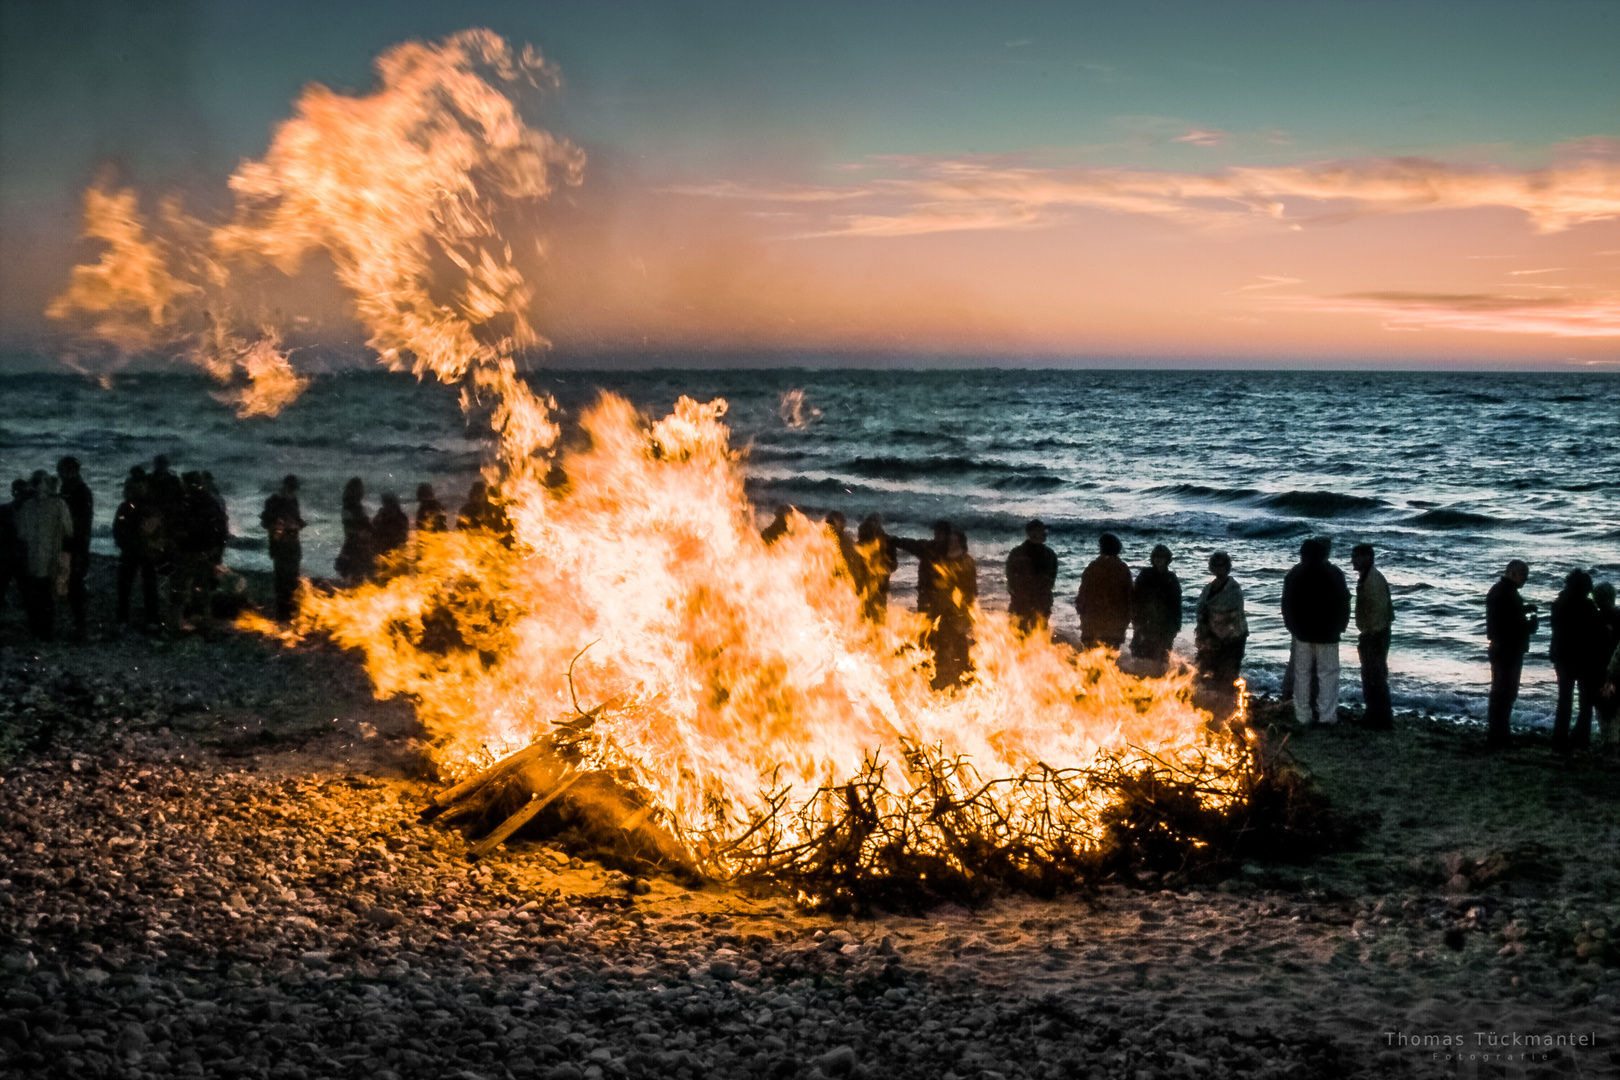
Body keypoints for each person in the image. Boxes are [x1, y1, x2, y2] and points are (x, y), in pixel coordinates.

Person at [1280, 538, 1351, 726]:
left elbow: (1287, 603)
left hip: (1303, 632)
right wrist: (1341, 626)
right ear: (1324, 555)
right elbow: (1344, 602)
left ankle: (1303, 715)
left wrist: (1292, 627)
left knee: (1302, 674)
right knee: (1327, 674)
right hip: (1328, 634)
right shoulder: (1334, 573)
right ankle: (1327, 716)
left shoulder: (1295, 574)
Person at [1484, 559, 1538, 749]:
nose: (1526, 579)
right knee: (1505, 692)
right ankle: (1499, 736)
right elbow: (1510, 625)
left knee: (1500, 691)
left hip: (1501, 647)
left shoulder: (1499, 591)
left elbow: (1504, 618)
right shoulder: (1507, 594)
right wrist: (1529, 626)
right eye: (1524, 575)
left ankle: (1497, 733)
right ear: (1513, 573)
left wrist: (1523, 610)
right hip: (1508, 649)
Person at [1548, 569, 1602, 755]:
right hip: (1582, 658)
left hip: (1561, 656)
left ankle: (1559, 738)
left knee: (1565, 698)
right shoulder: (1587, 606)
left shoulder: (1559, 603)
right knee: (1585, 700)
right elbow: (1594, 633)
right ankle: (1580, 738)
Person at [15, 471, 73, 640]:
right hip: (48, 554)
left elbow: (22, 533)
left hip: (39, 555)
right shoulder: (58, 504)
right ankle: (45, 631)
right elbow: (68, 530)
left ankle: (40, 629)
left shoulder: (29, 506)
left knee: (40, 592)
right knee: (49, 593)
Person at [1194, 551, 1248, 715]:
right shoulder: (1209, 587)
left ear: (1228, 568)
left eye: (1222, 566)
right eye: (1215, 565)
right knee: (1205, 671)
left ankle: (1228, 711)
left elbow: (1230, 615)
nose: (1219, 569)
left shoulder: (1234, 590)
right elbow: (1202, 610)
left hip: (1232, 639)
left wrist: (1216, 636)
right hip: (1210, 637)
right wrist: (1206, 635)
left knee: (1228, 674)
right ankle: (1211, 708)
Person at [1351, 543, 1395, 729]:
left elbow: (1377, 613)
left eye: (1357, 557)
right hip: (1375, 634)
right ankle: (1376, 715)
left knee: (1374, 678)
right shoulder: (1370, 578)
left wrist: (1368, 634)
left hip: (1374, 635)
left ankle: (1380, 718)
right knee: (1373, 677)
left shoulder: (1372, 581)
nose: (1353, 561)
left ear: (1368, 558)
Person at [931, 529, 978, 689]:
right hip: (944, 609)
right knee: (943, 643)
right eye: (950, 542)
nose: (952, 544)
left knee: (959, 641)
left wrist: (965, 608)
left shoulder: (966, 561)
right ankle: (944, 677)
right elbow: (937, 586)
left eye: (955, 541)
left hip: (959, 610)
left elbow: (970, 588)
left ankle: (961, 675)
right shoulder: (943, 561)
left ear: (961, 543)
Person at [113, 474, 160, 627]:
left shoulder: (147, 507)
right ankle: (126, 618)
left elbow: (157, 529)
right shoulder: (126, 507)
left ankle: (147, 619)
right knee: (127, 587)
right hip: (133, 551)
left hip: (144, 551)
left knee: (147, 586)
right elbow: (117, 530)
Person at [56, 456, 93, 637]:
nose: (62, 474)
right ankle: (78, 623)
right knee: (70, 582)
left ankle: (81, 626)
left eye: (64, 470)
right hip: (69, 544)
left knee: (75, 583)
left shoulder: (80, 491)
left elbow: (82, 522)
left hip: (75, 545)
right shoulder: (67, 489)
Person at [1075, 533, 1132, 650]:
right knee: (1109, 655)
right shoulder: (1122, 568)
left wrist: (1082, 613)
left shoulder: (1093, 567)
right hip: (1113, 622)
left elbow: (1082, 594)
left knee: (1091, 656)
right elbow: (1130, 597)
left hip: (1093, 620)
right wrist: (1126, 619)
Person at [261, 475, 305, 621]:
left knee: (293, 578)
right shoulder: (273, 501)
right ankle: (282, 613)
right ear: (285, 486)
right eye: (290, 489)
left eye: (293, 490)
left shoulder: (293, 501)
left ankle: (291, 610)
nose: (291, 492)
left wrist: (296, 523)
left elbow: (296, 520)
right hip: (280, 545)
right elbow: (266, 522)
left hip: (292, 544)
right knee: (281, 579)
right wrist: (281, 525)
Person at [1131, 544, 1182, 672]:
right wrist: (1136, 621)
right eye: (1157, 557)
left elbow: (1176, 605)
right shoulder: (1145, 575)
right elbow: (1135, 598)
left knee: (1161, 660)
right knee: (1140, 658)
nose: (1159, 560)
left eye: (1162, 557)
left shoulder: (1171, 579)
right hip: (1145, 622)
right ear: (1152, 559)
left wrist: (1175, 626)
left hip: (1164, 626)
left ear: (1167, 559)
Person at [1005, 519, 1058, 636]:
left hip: (1035, 602)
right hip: (1025, 601)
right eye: (1041, 531)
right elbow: (1011, 578)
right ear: (1031, 533)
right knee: (1022, 635)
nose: (1044, 534)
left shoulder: (1049, 554)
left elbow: (1050, 580)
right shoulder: (1048, 554)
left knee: (1034, 635)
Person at [893, 519, 953, 617]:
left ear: (947, 535)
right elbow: (909, 544)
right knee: (925, 621)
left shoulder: (952, 553)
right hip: (926, 591)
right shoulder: (928, 547)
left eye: (940, 533)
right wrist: (893, 540)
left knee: (938, 622)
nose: (937, 535)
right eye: (936, 532)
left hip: (943, 595)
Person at [854, 513, 896, 621]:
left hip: (877, 585)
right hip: (867, 584)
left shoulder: (886, 541)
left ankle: (871, 633)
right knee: (870, 613)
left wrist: (882, 568)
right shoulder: (865, 540)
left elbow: (892, 565)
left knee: (873, 613)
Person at [336, 477, 374, 584]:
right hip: (358, 545)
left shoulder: (347, 506)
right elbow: (361, 525)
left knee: (352, 576)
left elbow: (350, 526)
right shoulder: (355, 507)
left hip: (350, 543)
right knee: (360, 574)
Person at [0, 479, 26, 614]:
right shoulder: (5, 509)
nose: (19, 494)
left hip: (15, 554)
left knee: (24, 586)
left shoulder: (30, 512)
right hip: (11, 554)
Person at [824, 511, 864, 595]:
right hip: (834, 584)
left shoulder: (847, 544)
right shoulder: (819, 540)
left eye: (831, 523)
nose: (830, 526)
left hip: (844, 585)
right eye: (829, 522)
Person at [371, 492, 411, 565]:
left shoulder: (381, 516)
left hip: (384, 550)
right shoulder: (401, 517)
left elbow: (373, 531)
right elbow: (404, 535)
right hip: (397, 550)